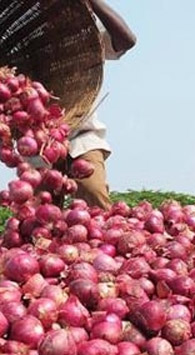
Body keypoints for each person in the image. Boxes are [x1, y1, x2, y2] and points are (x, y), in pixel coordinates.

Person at [70, 0, 136, 210]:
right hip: (39, 142)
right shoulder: (23, 44)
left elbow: (126, 41)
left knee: (93, 194)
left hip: (81, 137)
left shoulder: (82, 32)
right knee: (35, 215)